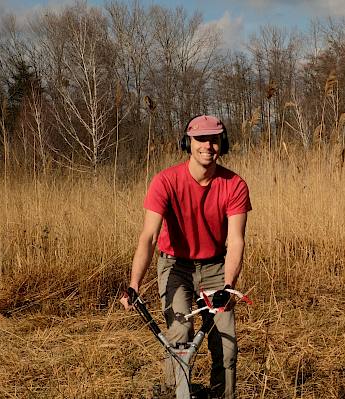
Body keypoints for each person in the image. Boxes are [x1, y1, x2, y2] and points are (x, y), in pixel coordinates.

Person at [120, 114, 250, 398]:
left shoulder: (235, 185)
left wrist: (228, 285)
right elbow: (149, 237)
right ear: (188, 143)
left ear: (222, 143)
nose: (208, 146)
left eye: (214, 139)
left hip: (215, 266)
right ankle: (173, 392)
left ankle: (222, 395)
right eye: (201, 139)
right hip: (175, 265)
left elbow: (236, 239)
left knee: (226, 344)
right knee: (181, 332)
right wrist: (134, 284)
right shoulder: (165, 181)